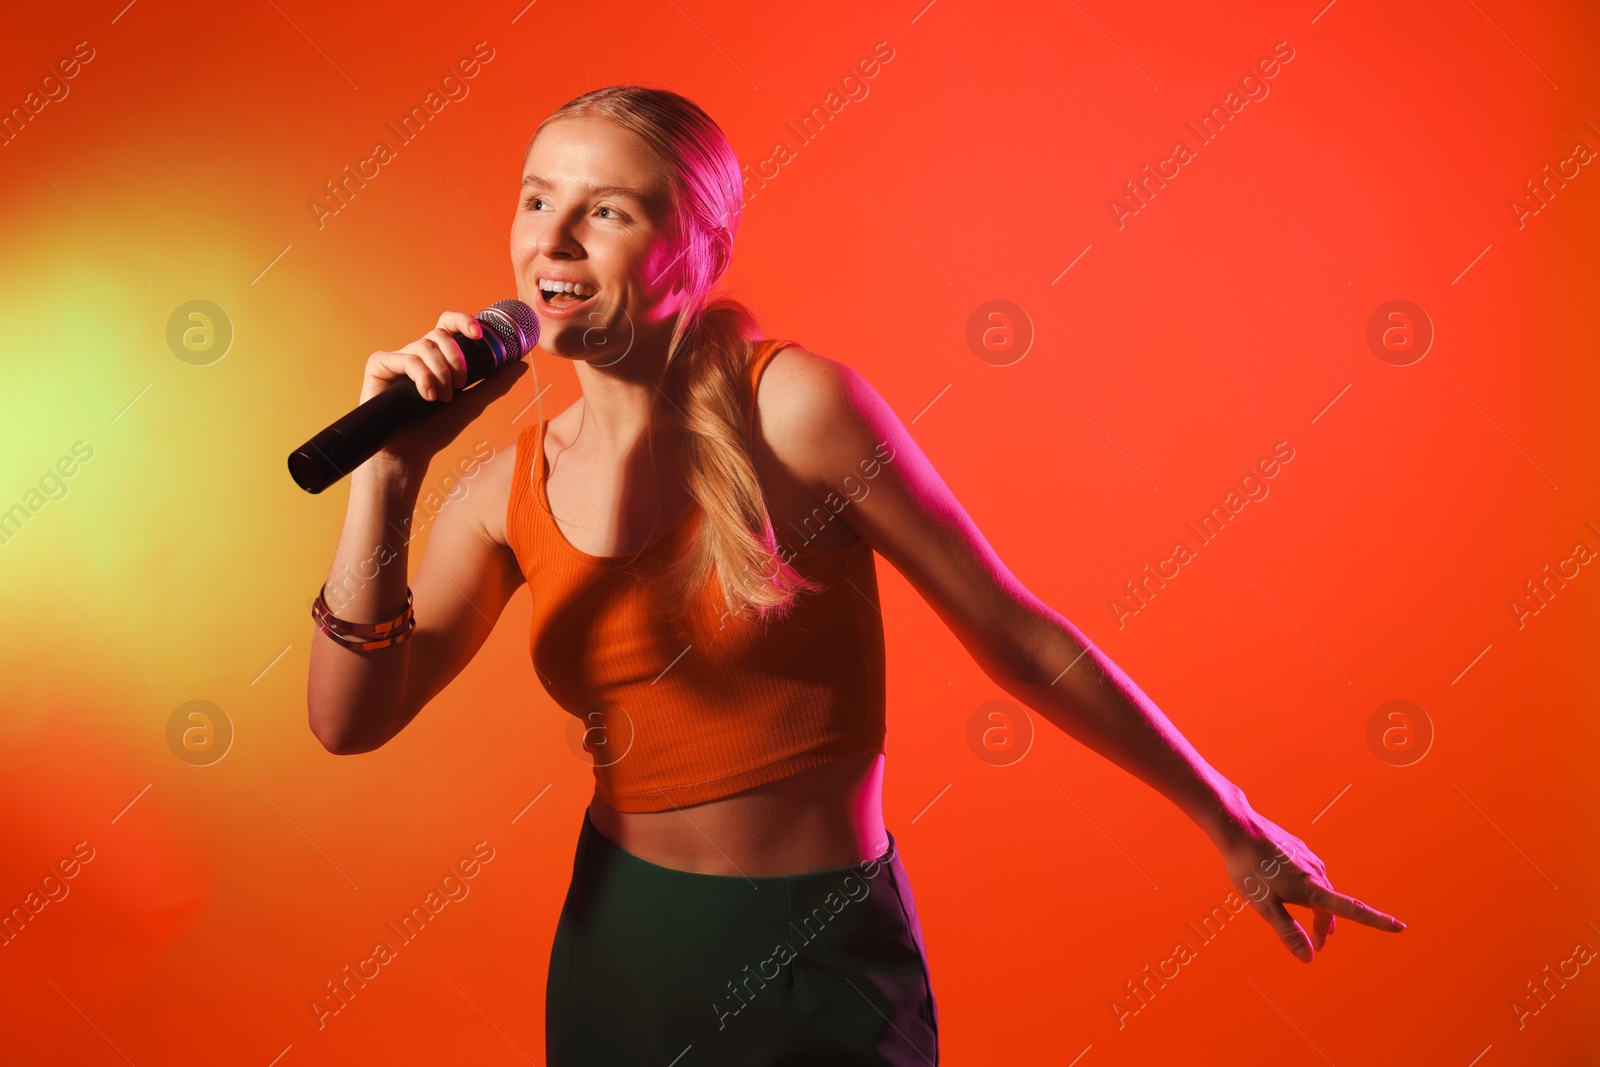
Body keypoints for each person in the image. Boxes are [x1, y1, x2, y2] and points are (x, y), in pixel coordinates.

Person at [305, 85, 1405, 1065]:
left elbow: (1015, 632)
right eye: (539, 199)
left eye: (608, 211)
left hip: (813, 953)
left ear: (697, 246)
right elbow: (347, 720)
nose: (556, 240)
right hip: (619, 951)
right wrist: (392, 475)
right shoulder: (503, 488)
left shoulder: (799, 412)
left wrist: (1231, 822)